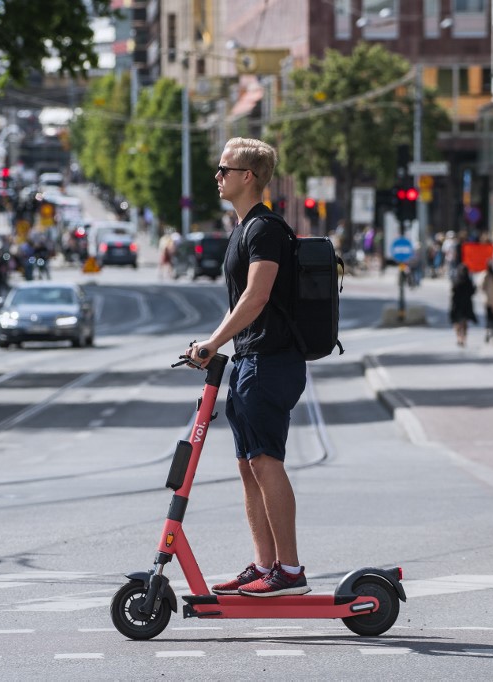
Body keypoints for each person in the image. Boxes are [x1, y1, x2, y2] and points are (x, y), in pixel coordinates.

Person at [186, 137, 310, 598]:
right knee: (248, 465)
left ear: (248, 176)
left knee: (265, 461)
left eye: (224, 169)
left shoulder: (266, 230)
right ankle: (265, 565)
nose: (217, 176)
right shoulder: (242, 229)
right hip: (250, 359)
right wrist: (218, 345)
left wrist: (213, 342)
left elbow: (256, 297)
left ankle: (290, 571)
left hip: (271, 362)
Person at [449, 263, 478, 347]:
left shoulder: (465, 280)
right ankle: (461, 338)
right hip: (461, 304)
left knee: (460, 322)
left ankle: (461, 338)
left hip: (461, 304)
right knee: (459, 322)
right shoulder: (460, 280)